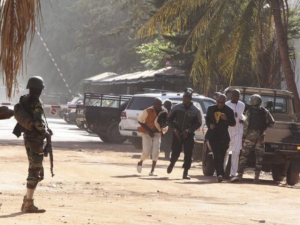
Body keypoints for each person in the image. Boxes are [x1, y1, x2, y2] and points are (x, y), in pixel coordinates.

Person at [17, 76, 51, 213]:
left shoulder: (24, 99)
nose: (41, 91)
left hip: (28, 138)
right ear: (37, 89)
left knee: (35, 169)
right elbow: (38, 122)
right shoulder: (36, 101)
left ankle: (27, 200)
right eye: (40, 89)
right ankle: (28, 204)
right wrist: (46, 132)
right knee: (35, 170)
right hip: (35, 139)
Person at [232, 94, 275, 184]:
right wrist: (264, 126)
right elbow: (272, 123)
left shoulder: (249, 111)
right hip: (260, 137)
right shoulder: (265, 111)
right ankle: (256, 178)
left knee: (243, 156)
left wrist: (246, 134)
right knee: (259, 158)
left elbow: (246, 125)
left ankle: (239, 176)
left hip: (250, 137)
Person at [167, 88, 202, 179]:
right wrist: (174, 129)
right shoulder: (176, 107)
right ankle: (172, 163)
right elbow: (169, 119)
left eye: (188, 98)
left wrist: (189, 130)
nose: (186, 100)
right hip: (177, 133)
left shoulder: (195, 110)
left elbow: (198, 123)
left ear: (191, 99)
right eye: (184, 97)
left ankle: (185, 172)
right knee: (176, 152)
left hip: (189, 135)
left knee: (188, 153)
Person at [205, 94, 236, 182]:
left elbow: (233, 123)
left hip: (224, 137)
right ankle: (220, 174)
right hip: (213, 135)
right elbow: (207, 119)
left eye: (222, 103)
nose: (220, 104)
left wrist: (226, 119)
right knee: (217, 154)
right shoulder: (211, 109)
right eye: (219, 102)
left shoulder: (229, 111)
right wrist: (209, 124)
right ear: (216, 101)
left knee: (221, 156)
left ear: (225, 102)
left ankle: (219, 173)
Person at [137, 98, 167, 176]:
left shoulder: (163, 111)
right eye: (158, 104)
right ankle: (140, 162)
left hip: (157, 133)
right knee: (146, 151)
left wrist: (162, 130)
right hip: (146, 133)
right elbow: (140, 120)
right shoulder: (147, 111)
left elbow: (165, 123)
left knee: (156, 152)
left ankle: (152, 170)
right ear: (154, 105)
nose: (159, 106)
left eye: (160, 104)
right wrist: (149, 131)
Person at [224, 90, 245, 178]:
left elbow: (242, 115)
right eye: (234, 95)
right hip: (228, 130)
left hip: (238, 130)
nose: (236, 97)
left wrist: (243, 119)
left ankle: (233, 174)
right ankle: (222, 171)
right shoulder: (227, 104)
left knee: (236, 152)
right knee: (226, 152)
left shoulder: (242, 105)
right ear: (231, 96)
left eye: (237, 96)